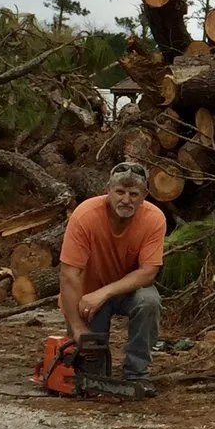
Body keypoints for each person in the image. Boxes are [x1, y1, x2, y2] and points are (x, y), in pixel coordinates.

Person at [58, 161, 166, 390]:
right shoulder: (85, 216)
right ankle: (93, 369)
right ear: (108, 190)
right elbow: (69, 274)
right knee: (90, 372)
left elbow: (148, 272)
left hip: (125, 291)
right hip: (87, 294)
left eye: (133, 194)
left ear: (144, 194)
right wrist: (77, 326)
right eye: (120, 192)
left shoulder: (154, 219)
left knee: (149, 301)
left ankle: (137, 373)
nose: (126, 200)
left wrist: (104, 292)